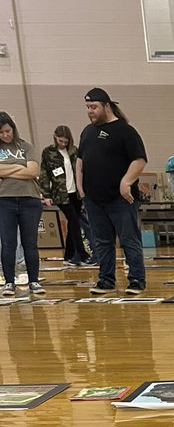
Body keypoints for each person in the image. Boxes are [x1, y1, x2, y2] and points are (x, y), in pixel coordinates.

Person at [76, 88, 148, 294]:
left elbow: (139, 160)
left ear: (106, 106)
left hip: (120, 199)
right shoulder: (87, 132)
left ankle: (136, 279)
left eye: (94, 107)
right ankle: (106, 280)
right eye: (87, 107)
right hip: (93, 199)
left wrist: (126, 181)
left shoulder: (125, 131)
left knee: (129, 240)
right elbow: (80, 161)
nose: (90, 111)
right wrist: (81, 190)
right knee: (102, 241)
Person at [0, 112, 45, 296]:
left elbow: (33, 171)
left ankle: (34, 281)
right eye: (1, 132)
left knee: (30, 243)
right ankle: (9, 282)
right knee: (8, 244)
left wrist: (6, 171)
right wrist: (20, 167)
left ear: (13, 128)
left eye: (7, 131)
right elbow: (26, 170)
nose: (5, 135)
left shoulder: (26, 146)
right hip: (4, 201)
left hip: (30, 200)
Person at [38, 125, 92, 267]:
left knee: (73, 224)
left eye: (65, 142)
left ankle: (69, 256)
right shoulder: (48, 152)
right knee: (74, 222)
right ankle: (83, 255)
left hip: (76, 193)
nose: (63, 144)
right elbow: (44, 174)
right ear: (55, 137)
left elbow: (82, 170)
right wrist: (46, 194)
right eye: (60, 141)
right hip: (61, 194)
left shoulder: (75, 151)